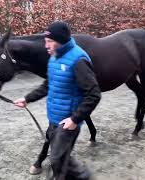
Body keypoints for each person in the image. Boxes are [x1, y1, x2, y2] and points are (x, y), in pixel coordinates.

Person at [14, 21, 101, 180]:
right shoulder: (54, 58)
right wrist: (27, 99)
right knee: (60, 158)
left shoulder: (78, 60)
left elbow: (94, 94)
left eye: (49, 42)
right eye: (45, 41)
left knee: (57, 159)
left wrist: (75, 119)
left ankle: (82, 175)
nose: (46, 46)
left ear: (60, 41)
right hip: (54, 118)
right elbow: (48, 85)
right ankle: (81, 175)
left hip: (67, 122)